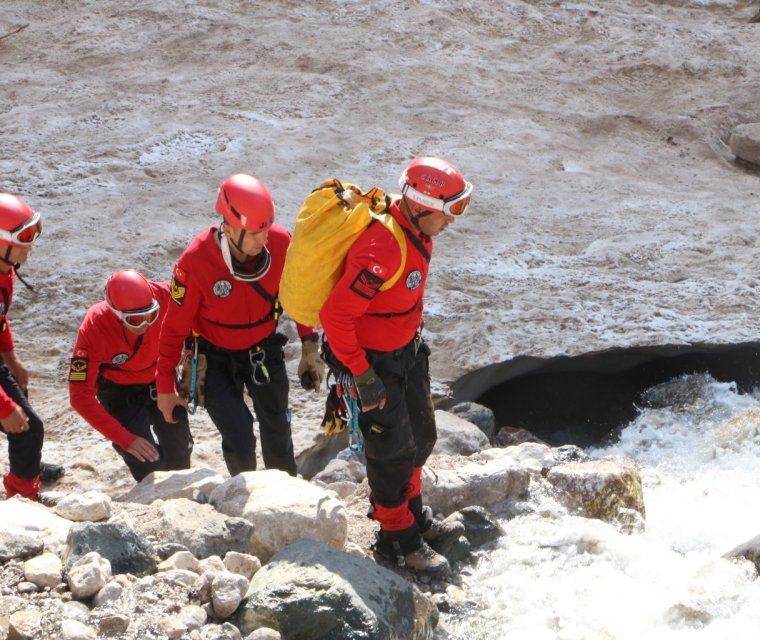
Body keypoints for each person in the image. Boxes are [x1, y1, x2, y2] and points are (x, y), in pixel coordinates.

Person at [320, 157, 472, 576]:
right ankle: (396, 538)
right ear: (421, 205)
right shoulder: (382, 247)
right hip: (372, 362)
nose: (452, 220)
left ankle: (413, 515)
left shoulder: (417, 230)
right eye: (450, 210)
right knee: (391, 451)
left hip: (404, 351)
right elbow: (335, 316)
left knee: (421, 436)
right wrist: (362, 374)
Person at [155, 174, 324, 477]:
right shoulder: (195, 262)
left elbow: (299, 295)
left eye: (266, 229)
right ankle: (243, 490)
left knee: (278, 430)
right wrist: (165, 386)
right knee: (239, 437)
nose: (264, 239)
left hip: (263, 349)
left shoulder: (281, 244)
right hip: (214, 358)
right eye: (256, 232)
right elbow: (174, 327)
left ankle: (285, 491)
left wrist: (310, 345)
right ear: (229, 228)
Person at [69, 269, 193, 482]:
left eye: (151, 315)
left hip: (161, 378)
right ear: (116, 314)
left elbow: (199, 308)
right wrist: (124, 439)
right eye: (135, 320)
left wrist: (190, 377)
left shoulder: (167, 294)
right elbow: (80, 396)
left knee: (180, 454)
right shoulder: (93, 328)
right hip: (119, 391)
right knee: (149, 464)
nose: (145, 324)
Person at [0, 193, 45, 500]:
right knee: (26, 426)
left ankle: (25, 469)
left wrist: (11, 359)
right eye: (23, 238)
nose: (30, 246)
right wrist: (4, 406)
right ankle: (21, 497)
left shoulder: (6, 270)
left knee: (28, 426)